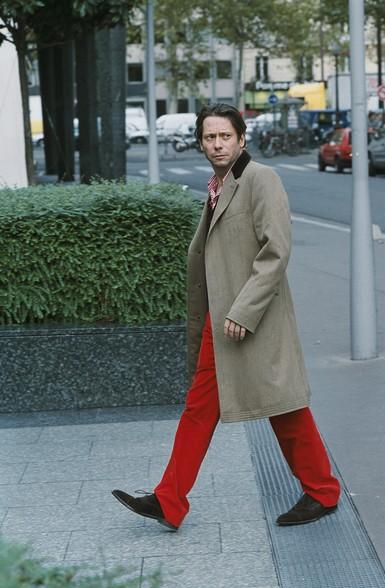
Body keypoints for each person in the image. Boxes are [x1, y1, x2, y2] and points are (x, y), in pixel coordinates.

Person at [112, 103, 341, 530]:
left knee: (285, 407)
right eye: (209, 137)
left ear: (241, 139)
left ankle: (323, 491)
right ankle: (169, 500)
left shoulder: (261, 179)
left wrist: (244, 310)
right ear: (200, 143)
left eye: (225, 136)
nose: (217, 144)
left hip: (253, 320)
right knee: (199, 409)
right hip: (219, 324)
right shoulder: (219, 185)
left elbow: (276, 251)